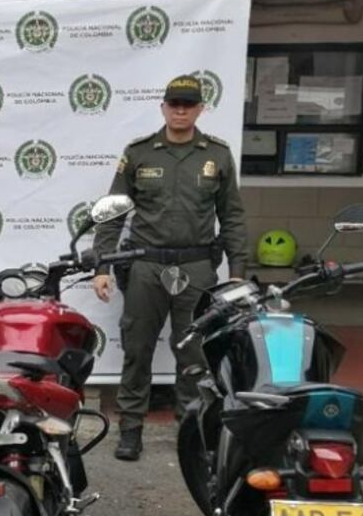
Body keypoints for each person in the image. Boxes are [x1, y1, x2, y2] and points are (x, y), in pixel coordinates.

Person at [92, 74, 248, 461]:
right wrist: (102, 266)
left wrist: (238, 270)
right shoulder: (141, 152)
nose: (180, 110)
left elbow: (232, 216)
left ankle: (191, 429)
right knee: (137, 349)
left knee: (194, 353)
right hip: (145, 265)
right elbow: (112, 213)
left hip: (197, 267)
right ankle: (131, 430)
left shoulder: (217, 155)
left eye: (188, 104)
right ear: (163, 107)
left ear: (200, 109)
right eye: (174, 104)